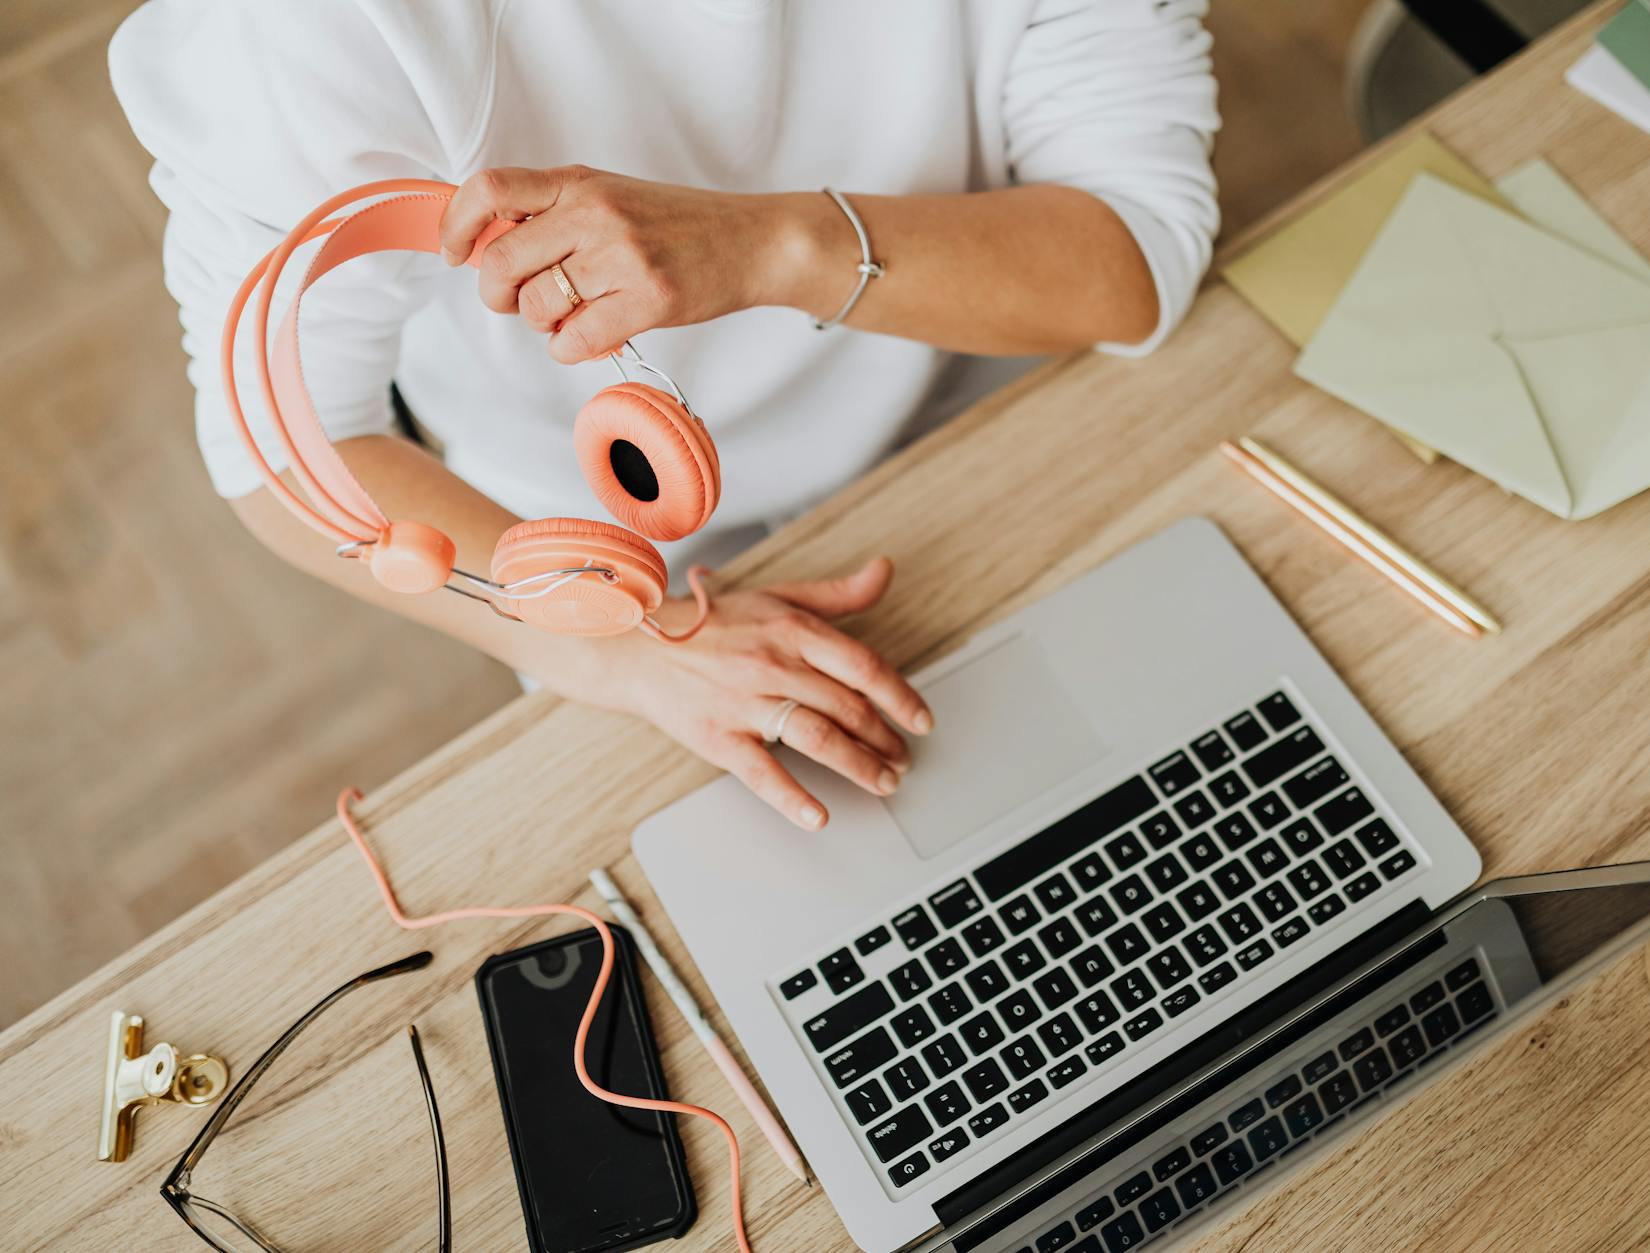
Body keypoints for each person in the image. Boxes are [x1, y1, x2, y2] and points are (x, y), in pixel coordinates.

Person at [110, 1, 1221, 830]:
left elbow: (1130, 255)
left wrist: (776, 245)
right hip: (623, 577)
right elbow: (280, 448)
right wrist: (628, 654)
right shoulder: (297, 28)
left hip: (1002, 418)